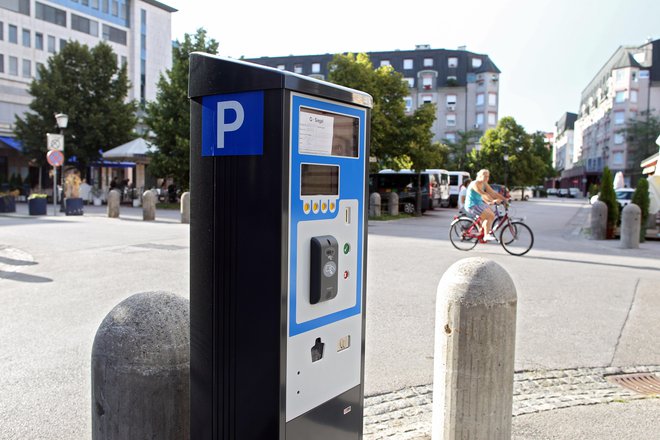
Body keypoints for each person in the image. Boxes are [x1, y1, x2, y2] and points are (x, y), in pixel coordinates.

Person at [464, 169, 508, 241]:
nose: (487, 178)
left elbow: (493, 193)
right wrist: (493, 201)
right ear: (480, 176)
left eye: (488, 176)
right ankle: (486, 235)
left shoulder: (484, 184)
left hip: (479, 204)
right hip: (472, 205)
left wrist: (504, 199)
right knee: (489, 215)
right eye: (485, 176)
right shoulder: (474, 184)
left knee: (491, 214)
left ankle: (482, 233)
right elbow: (483, 194)